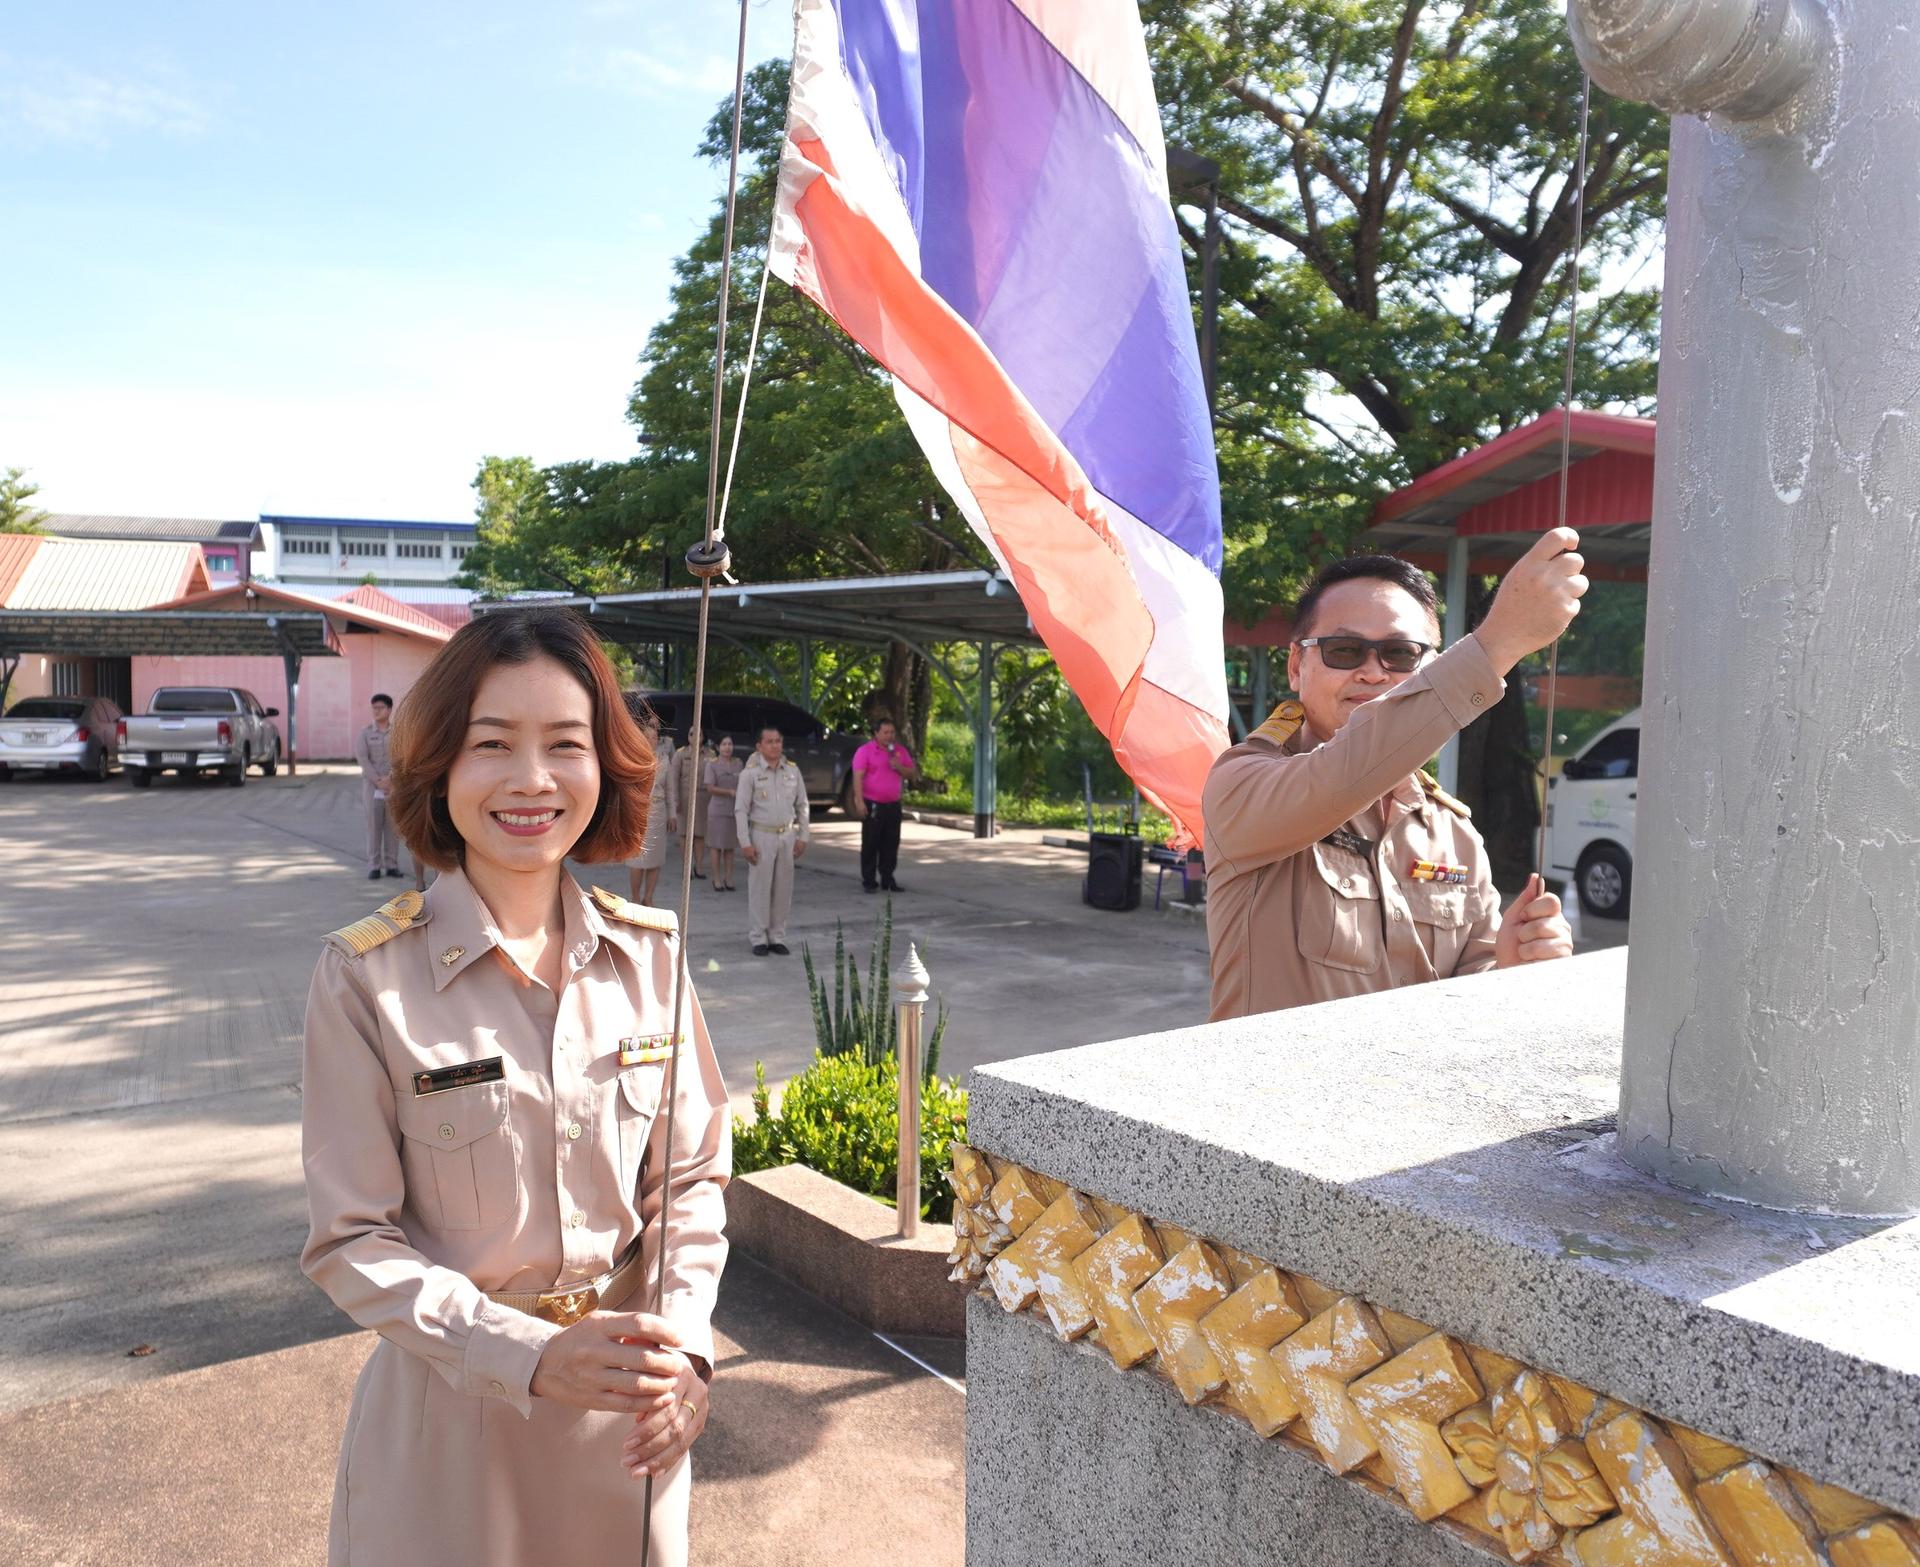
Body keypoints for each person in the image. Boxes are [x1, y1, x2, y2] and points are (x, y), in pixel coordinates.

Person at [300, 608, 729, 1567]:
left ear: (602, 765)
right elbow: (349, 1242)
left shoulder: (652, 957)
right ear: (440, 765)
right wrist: (529, 1354)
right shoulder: (368, 977)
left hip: (630, 1426)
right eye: (493, 743)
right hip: (454, 1421)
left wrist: (691, 1348)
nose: (532, 779)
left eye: (564, 745)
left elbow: (692, 1181)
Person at [1203, 530, 1585, 1021]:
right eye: (1344, 651)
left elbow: (1471, 987)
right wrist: (1499, 642)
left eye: (1401, 654)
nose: (1374, 673)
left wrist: (1514, 962)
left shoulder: (1453, 832)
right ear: (1297, 665)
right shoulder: (1244, 785)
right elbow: (1346, 770)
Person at [734, 725, 809, 956]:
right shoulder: (751, 773)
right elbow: (740, 810)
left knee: (783, 889)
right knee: (760, 888)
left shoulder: (792, 772)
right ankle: (758, 937)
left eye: (778, 741)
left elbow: (802, 805)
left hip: (787, 835)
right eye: (770, 741)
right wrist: (745, 842)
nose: (775, 745)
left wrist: (803, 836)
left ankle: (777, 935)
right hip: (761, 835)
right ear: (759, 746)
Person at [851, 716, 917, 894]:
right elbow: (857, 777)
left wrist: (899, 767)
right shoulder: (865, 751)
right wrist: (859, 801)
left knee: (891, 843)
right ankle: (869, 881)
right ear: (876, 733)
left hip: (893, 805)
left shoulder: (899, 751)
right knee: (871, 843)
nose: (890, 736)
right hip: (873, 804)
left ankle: (888, 879)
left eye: (892, 732)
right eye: (886, 732)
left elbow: (911, 773)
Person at [626, 707, 679, 907]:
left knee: (656, 859)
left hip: (659, 811)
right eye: (649, 737)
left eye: (655, 737)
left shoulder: (664, 758)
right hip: (640, 812)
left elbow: (671, 789)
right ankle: (635, 898)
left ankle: (649, 896)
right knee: (637, 859)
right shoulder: (634, 758)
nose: (653, 740)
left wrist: (673, 813)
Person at [353, 693, 403, 881]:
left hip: (393, 787)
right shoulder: (365, 733)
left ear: (389, 710)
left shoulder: (398, 733)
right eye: (374, 708)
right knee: (373, 827)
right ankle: (374, 865)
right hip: (372, 788)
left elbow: (401, 758)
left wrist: (391, 779)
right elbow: (363, 759)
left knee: (393, 827)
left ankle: (391, 865)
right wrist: (378, 781)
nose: (376, 711)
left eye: (380, 708)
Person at [702, 735, 744, 892]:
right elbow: (710, 788)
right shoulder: (712, 765)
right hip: (717, 810)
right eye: (724, 744)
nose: (728, 747)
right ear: (718, 747)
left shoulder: (738, 764)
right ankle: (717, 878)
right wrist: (730, 792)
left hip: (733, 810)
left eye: (730, 744)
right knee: (716, 846)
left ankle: (728, 877)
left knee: (730, 847)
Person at [675, 734, 714, 882]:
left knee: (699, 835)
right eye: (691, 733)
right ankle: (687, 867)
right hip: (684, 798)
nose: (695, 736)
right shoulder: (681, 754)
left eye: (699, 733)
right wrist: (675, 799)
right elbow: (674, 777)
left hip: (703, 799)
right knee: (685, 835)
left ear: (703, 737)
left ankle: (699, 866)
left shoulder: (710, 755)